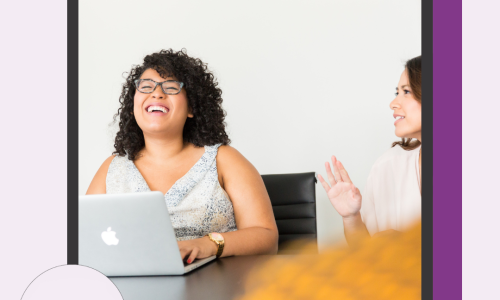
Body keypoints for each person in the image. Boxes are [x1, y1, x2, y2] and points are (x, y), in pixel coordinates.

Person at [86, 49, 278, 263]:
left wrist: (207, 244)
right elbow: (83, 239)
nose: (157, 94)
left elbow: (266, 237)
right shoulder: (112, 168)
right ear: (133, 106)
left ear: (191, 108)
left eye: (170, 87)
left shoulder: (225, 160)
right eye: (146, 86)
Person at [318, 56, 422, 246]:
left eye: (406, 91)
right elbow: (363, 250)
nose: (393, 103)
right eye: (397, 92)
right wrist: (351, 217)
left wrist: (411, 247)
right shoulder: (387, 167)